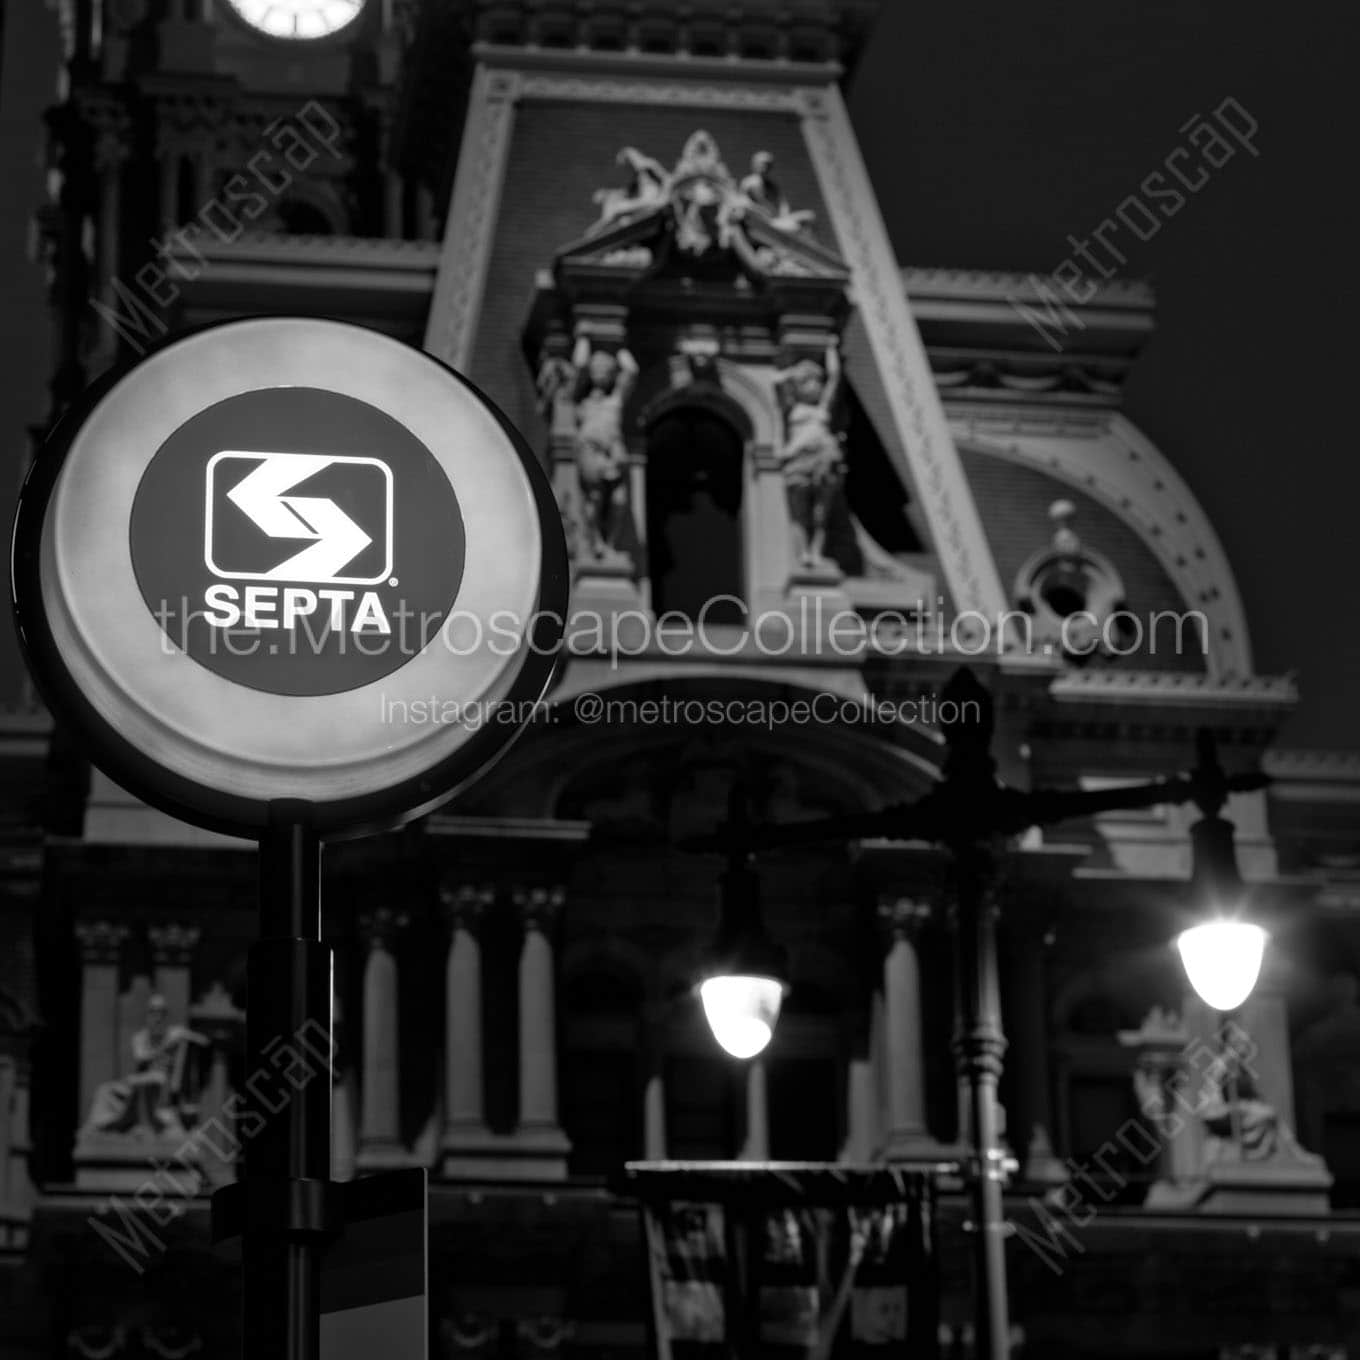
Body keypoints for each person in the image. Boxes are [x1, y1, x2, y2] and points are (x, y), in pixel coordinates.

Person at [84, 994, 209, 1138]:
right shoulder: (140, 1037)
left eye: (161, 1012)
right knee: (104, 1090)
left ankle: (149, 1125)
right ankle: (99, 1125)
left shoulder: (174, 1032)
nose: (157, 1017)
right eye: (153, 1012)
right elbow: (142, 1057)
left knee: (150, 1081)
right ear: (148, 1015)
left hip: (164, 1083)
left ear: (166, 1015)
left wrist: (185, 1036)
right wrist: (166, 1045)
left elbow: (203, 1041)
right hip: (141, 1080)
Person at [774, 343, 844, 566]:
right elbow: (776, 382)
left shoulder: (822, 407)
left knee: (820, 514)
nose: (814, 386)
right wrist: (795, 372)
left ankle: (817, 552)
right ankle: (802, 552)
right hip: (798, 459)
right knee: (800, 513)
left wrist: (831, 348)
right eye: (807, 381)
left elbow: (835, 376)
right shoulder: (792, 406)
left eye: (817, 381)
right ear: (797, 386)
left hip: (823, 459)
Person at [571, 336, 638, 558]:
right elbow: (578, 368)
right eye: (597, 368)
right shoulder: (582, 400)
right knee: (596, 499)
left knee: (619, 502)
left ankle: (611, 544)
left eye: (606, 368)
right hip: (590, 451)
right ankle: (596, 542)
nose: (601, 372)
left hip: (614, 452)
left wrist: (618, 346)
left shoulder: (616, 399)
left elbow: (631, 371)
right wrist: (584, 340)